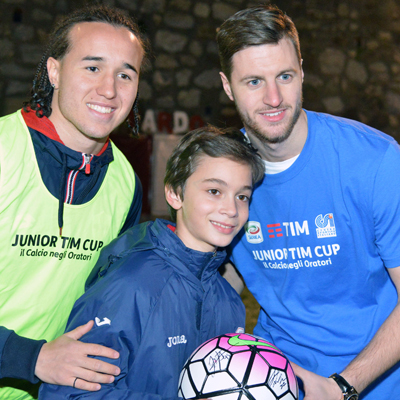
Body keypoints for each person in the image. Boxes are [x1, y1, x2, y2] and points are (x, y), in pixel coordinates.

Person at [216, 4, 400, 400]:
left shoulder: (375, 163)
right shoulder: (222, 174)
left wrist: (343, 387)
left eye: (284, 76)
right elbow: (215, 272)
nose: (273, 97)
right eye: (252, 82)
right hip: (272, 379)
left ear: (302, 70)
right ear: (228, 86)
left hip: (376, 381)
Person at [38, 125, 265, 399]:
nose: (231, 209)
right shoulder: (130, 285)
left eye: (242, 196)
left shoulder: (229, 301)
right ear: (174, 194)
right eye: (214, 191)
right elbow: (69, 394)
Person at [0, 5, 148, 399]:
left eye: (125, 74)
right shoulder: (3, 151)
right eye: (92, 67)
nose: (109, 90)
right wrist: (30, 358)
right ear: (54, 71)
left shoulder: (125, 185)